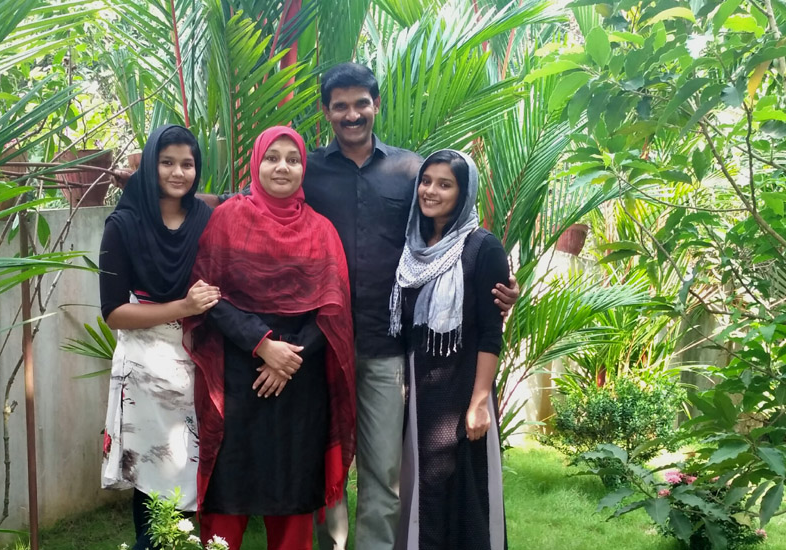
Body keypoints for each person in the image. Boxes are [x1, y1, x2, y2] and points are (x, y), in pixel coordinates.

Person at [200, 62, 519, 550]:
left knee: (382, 472)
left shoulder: (410, 171)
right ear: (327, 112)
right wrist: (164, 190)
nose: (351, 114)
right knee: (319, 461)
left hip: (383, 345)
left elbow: (449, 228)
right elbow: (254, 201)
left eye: (360, 104)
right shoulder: (308, 169)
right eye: (340, 106)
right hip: (318, 346)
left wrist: (497, 281)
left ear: (376, 105)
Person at [184, 126, 356, 550]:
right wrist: (262, 344)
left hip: (300, 385)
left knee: (293, 497)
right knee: (228, 495)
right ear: (256, 163)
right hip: (238, 377)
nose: (283, 167)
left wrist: (289, 359)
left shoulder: (321, 230)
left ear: (303, 168)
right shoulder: (227, 219)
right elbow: (207, 295)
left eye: (293, 159)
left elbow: (333, 309)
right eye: (272, 158)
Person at [98, 125, 218, 550]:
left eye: (188, 164)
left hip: (197, 362)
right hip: (145, 370)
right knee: (152, 477)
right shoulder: (123, 225)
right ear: (150, 165)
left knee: (187, 473)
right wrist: (183, 307)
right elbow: (114, 313)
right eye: (167, 162)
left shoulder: (206, 219)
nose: (178, 173)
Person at [390, 150, 509, 550]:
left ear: (464, 192)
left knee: (465, 491)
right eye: (426, 181)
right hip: (420, 391)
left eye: (445, 184)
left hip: (462, 388)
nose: (431, 191)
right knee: (424, 485)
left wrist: (479, 402)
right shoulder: (412, 247)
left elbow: (491, 333)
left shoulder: (482, 248)